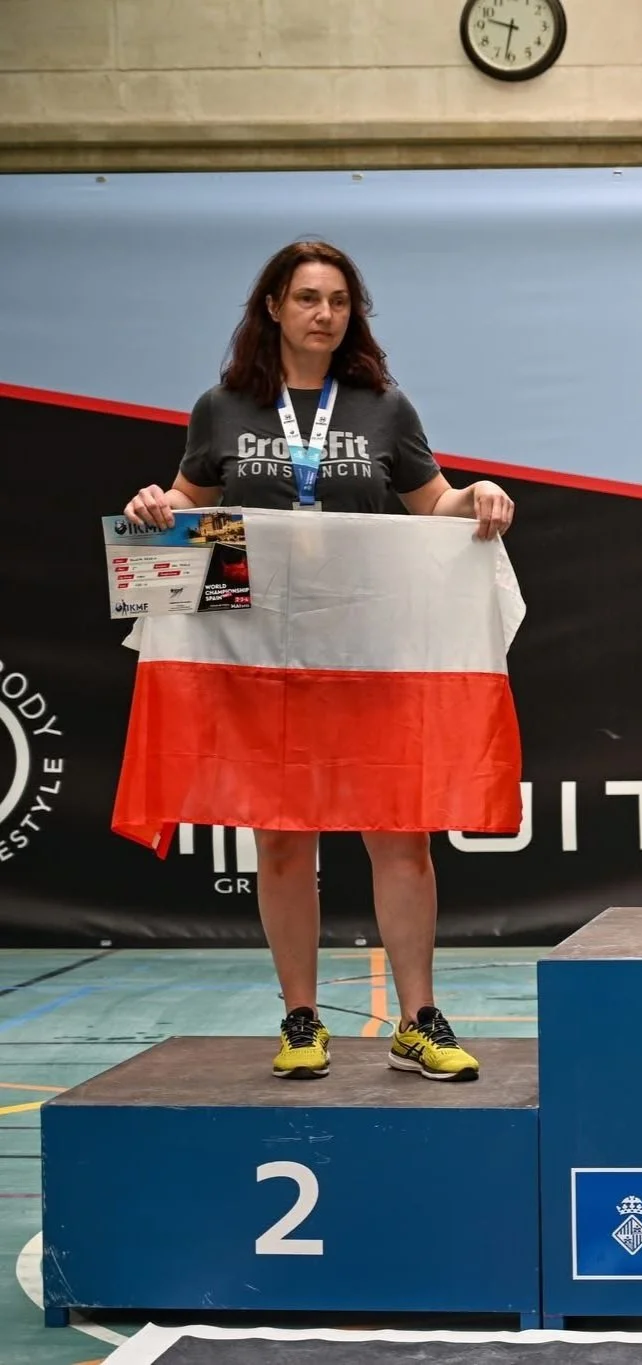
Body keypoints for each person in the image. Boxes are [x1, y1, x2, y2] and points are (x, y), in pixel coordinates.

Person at [121, 239, 515, 1082]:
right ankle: (301, 1018)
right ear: (273, 306)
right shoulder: (222, 405)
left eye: (338, 300)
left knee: (402, 844)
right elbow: (189, 504)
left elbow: (433, 500)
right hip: (264, 661)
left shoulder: (382, 406)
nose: (323, 314)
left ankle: (418, 1021)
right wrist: (156, 503)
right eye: (306, 298)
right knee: (284, 848)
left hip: (372, 657)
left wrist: (475, 496)